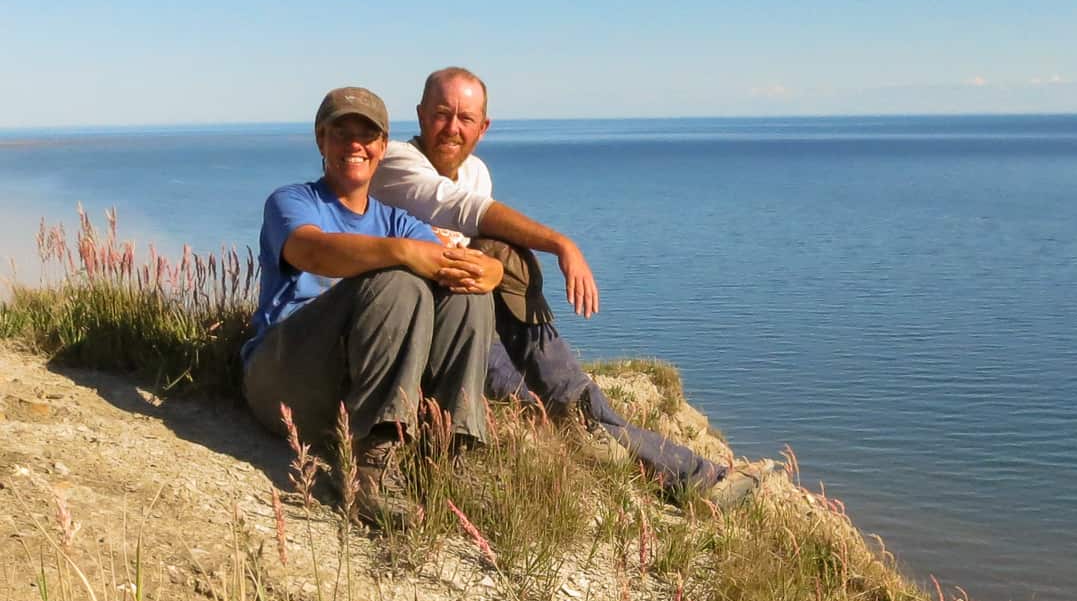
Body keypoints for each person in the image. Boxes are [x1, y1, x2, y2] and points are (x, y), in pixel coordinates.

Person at [370, 68, 772, 508]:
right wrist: (561, 244)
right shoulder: (395, 162)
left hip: (476, 309)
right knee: (548, 412)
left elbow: (474, 234)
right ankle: (696, 479)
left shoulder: (476, 171)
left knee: (564, 378)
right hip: (436, 329)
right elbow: (462, 209)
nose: (452, 128)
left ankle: (664, 459)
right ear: (421, 114)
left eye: (466, 118)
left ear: (484, 128)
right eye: (441, 113)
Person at [242, 86, 500, 524]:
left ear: (383, 146)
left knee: (466, 295)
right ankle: (369, 467)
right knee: (398, 282)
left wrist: (489, 272)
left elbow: (452, 265)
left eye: (368, 135)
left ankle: (448, 453)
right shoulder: (292, 201)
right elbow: (313, 251)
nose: (355, 145)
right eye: (341, 133)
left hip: (352, 388)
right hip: (285, 380)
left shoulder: (396, 219)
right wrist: (400, 252)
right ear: (321, 140)